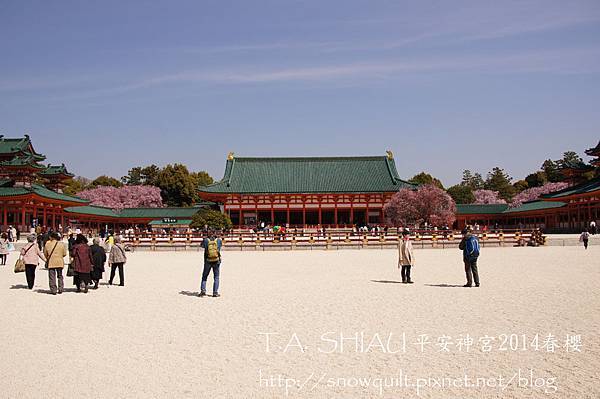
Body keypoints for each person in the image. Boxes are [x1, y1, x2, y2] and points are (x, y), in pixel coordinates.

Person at [199, 230, 222, 297]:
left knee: (204, 276)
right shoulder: (219, 240)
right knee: (216, 277)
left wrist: (204, 239)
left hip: (207, 260)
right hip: (216, 260)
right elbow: (220, 247)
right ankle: (215, 292)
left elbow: (202, 246)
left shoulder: (206, 240)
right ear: (215, 233)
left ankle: (203, 291)